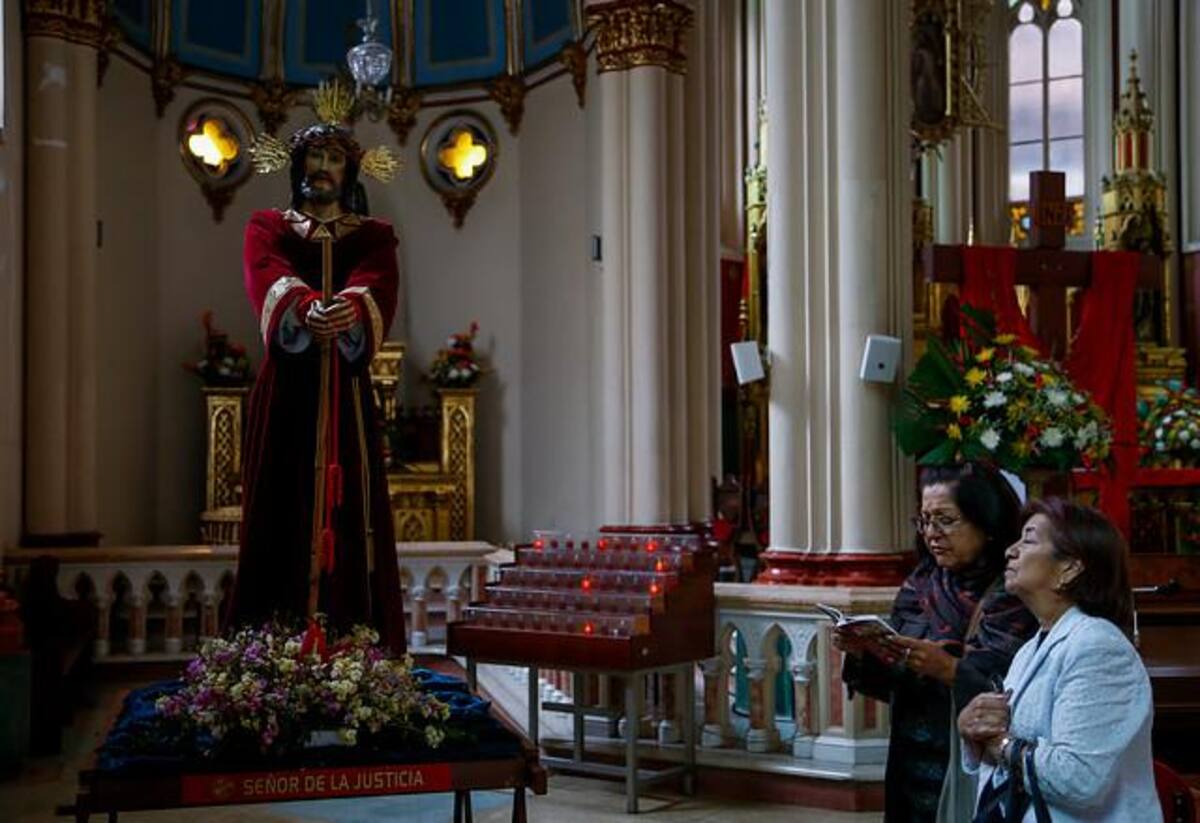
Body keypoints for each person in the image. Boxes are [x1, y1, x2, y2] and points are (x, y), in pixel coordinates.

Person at [225, 112, 407, 654]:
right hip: (287, 393)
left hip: (345, 395)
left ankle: (350, 639)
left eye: (334, 159)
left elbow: (377, 280)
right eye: (314, 157)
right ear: (297, 164)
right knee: (281, 505)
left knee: (350, 512)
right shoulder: (268, 224)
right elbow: (266, 269)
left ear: (350, 172)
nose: (323, 168)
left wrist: (348, 309)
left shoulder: (373, 235)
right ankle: (274, 642)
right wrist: (305, 309)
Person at [836, 463, 1038, 822]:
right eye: (925, 520)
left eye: (945, 520)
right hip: (911, 755)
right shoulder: (923, 583)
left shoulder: (1016, 592)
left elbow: (1022, 692)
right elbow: (892, 681)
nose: (932, 533)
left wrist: (949, 670)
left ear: (987, 522)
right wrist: (866, 652)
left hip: (975, 761)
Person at [957, 499, 1160, 822]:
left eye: (1029, 539)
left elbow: (1079, 780)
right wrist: (973, 730)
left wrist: (1000, 741)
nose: (1011, 550)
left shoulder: (1098, 647)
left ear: (1069, 568)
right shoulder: (1031, 647)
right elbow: (1004, 755)